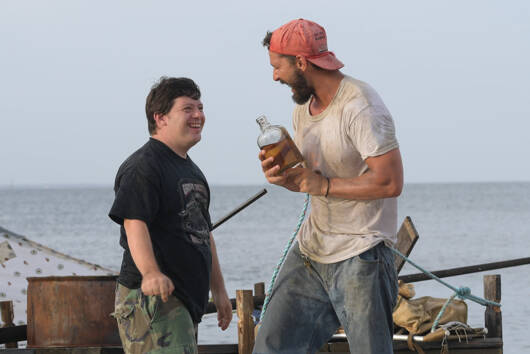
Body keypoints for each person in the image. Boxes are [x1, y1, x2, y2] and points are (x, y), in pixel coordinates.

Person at [254, 19, 403, 354]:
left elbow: (391, 182)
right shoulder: (301, 113)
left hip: (360, 253)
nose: (274, 76)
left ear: (301, 62)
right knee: (270, 347)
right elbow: (312, 181)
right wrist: (286, 178)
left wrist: (321, 185)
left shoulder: (361, 105)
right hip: (311, 250)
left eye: (278, 67)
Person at [108, 77, 232, 354]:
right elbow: (134, 222)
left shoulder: (191, 170)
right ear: (160, 118)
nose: (198, 115)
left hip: (183, 299)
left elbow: (203, 233)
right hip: (152, 299)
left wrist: (219, 290)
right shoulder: (144, 166)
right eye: (188, 108)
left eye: (200, 107)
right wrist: (151, 273)